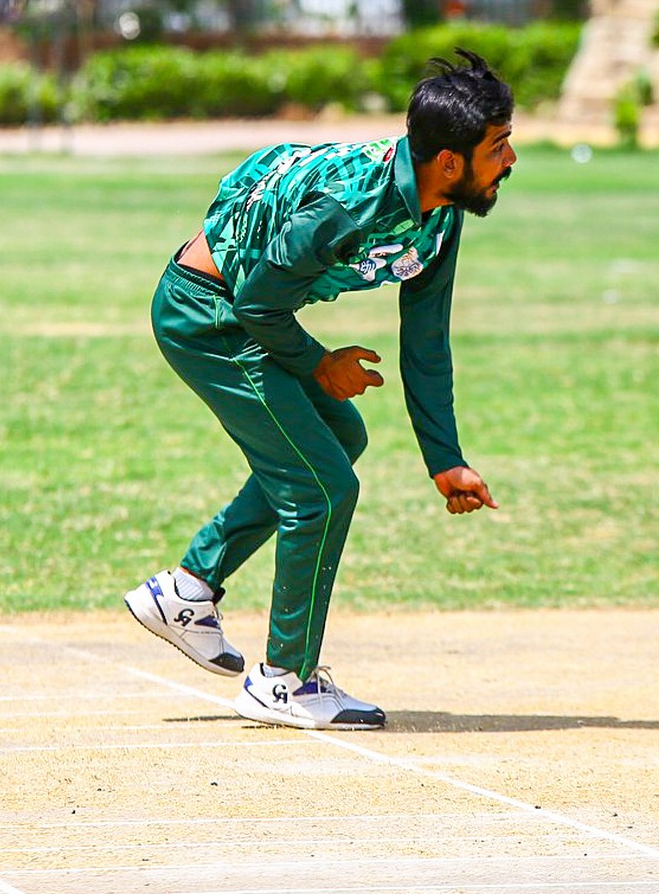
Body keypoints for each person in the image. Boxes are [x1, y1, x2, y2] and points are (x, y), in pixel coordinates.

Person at [126, 49, 516, 731]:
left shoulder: (440, 212)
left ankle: (186, 590)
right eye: (498, 146)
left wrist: (444, 458)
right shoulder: (351, 204)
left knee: (339, 437)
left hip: (246, 311)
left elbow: (426, 340)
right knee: (321, 488)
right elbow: (257, 298)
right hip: (207, 314)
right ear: (450, 162)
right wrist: (319, 364)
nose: (510, 160)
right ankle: (282, 681)